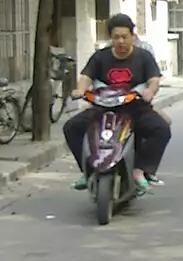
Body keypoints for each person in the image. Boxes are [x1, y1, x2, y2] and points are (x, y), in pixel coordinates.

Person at [63, 14, 172, 196]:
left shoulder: (143, 57)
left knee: (161, 129)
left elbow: (154, 80)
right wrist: (80, 90)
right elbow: (86, 77)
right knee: (71, 127)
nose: (120, 41)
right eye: (116, 37)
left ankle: (140, 170)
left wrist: (149, 91)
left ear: (132, 36)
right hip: (102, 108)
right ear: (111, 38)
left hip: (135, 108)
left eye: (124, 37)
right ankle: (86, 170)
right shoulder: (100, 57)